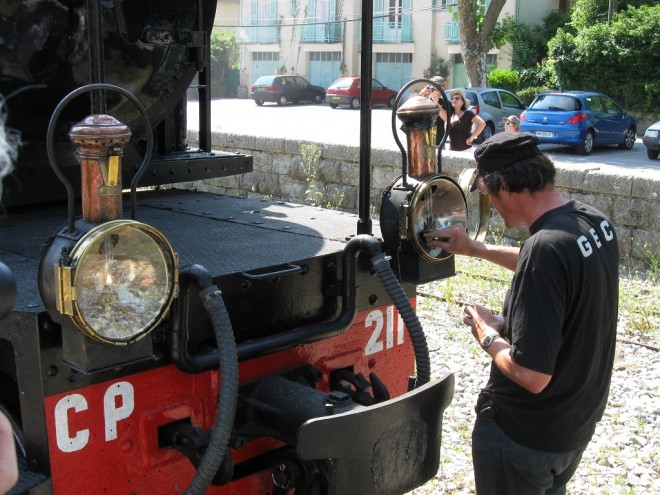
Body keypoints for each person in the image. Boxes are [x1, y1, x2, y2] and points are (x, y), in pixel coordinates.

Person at [424, 132, 619, 495]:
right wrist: (477, 250)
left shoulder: (544, 249)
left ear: (505, 186)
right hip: (571, 429)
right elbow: (558, 269)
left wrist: (487, 333)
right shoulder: (592, 223)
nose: (491, 204)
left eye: (488, 193)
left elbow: (532, 376)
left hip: (523, 438)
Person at [418, 76, 448, 156]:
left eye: (439, 86)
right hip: (422, 137)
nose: (436, 89)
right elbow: (411, 110)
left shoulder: (445, 102)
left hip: (436, 139)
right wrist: (420, 95)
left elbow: (446, 118)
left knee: (436, 164)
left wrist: (436, 103)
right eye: (434, 86)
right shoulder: (423, 99)